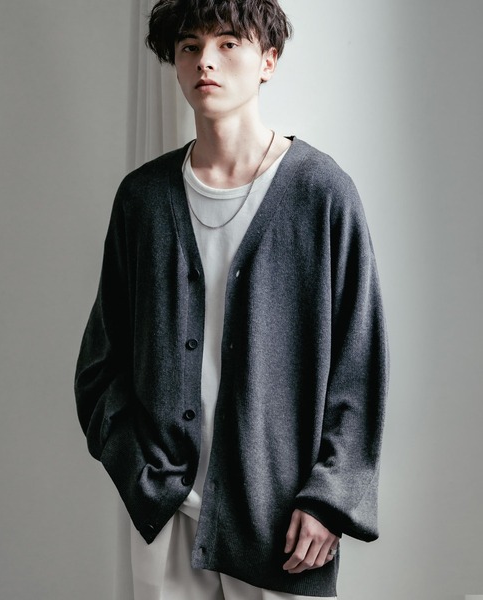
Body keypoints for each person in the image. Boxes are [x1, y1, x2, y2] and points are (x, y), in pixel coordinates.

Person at [74, 0, 389, 598]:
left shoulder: (322, 193)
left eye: (227, 44)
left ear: (268, 60)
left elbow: (360, 366)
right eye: (189, 47)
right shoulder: (143, 199)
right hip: (167, 515)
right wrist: (141, 472)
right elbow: (99, 365)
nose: (205, 62)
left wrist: (331, 498)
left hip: (284, 524)